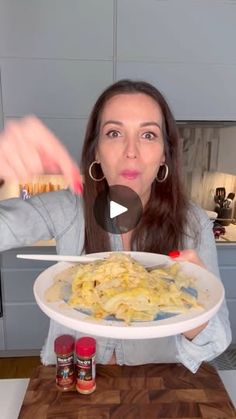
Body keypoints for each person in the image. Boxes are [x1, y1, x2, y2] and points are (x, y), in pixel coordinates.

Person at [0, 79, 231, 373]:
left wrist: (199, 305)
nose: (131, 150)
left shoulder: (192, 222)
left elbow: (218, 340)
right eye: (114, 133)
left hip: (156, 391)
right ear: (96, 151)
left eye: (148, 135)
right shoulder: (69, 208)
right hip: (70, 383)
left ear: (164, 155)